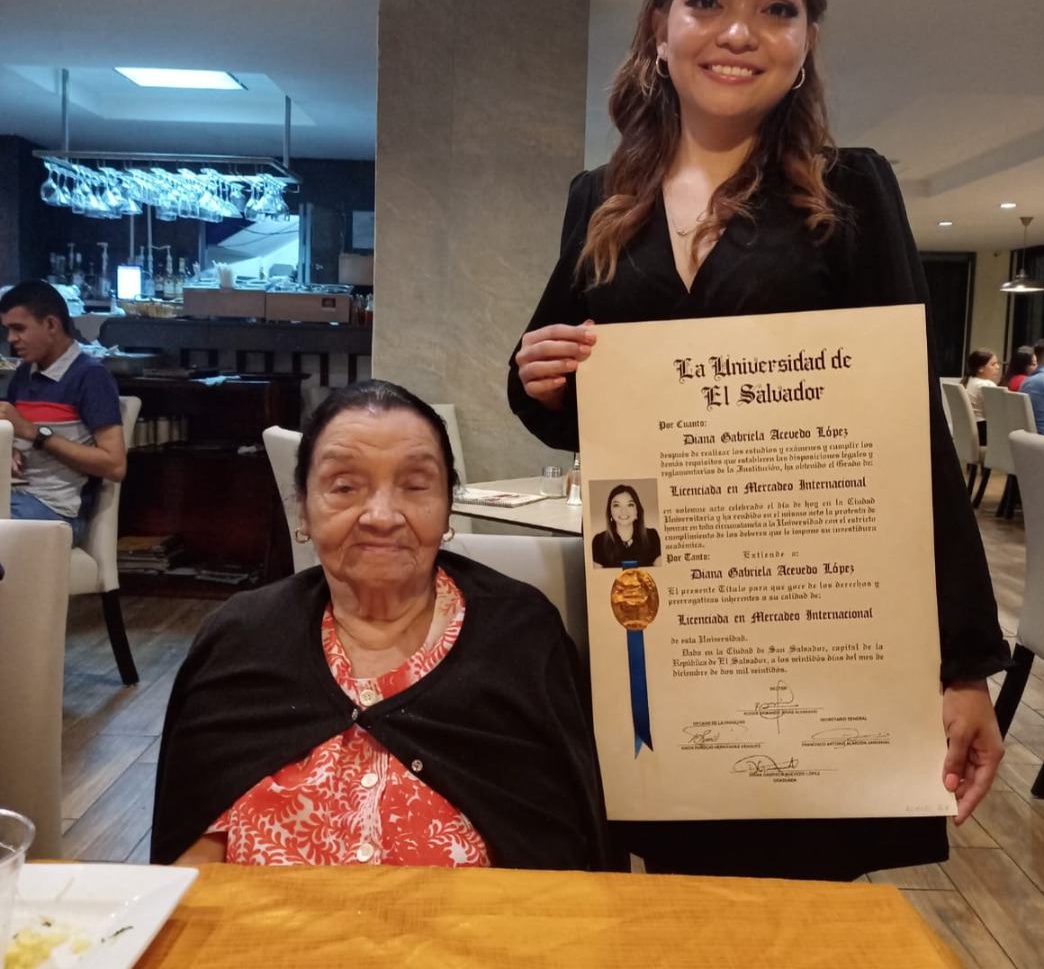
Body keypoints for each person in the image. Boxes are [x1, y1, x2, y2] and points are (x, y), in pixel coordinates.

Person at [507, 0, 1008, 881]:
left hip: (814, 605)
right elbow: (556, 393)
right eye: (708, 0)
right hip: (667, 612)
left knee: (806, 887)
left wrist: (960, 665)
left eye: (777, 8)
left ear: (806, 40)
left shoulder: (851, 190)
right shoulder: (602, 199)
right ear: (661, 27)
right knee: (675, 882)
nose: (740, 31)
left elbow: (910, 432)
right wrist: (540, 377)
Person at [151, 380, 608, 870]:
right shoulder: (241, 639)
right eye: (345, 487)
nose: (382, 516)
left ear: (447, 507)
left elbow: (564, 854)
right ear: (302, 507)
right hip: (259, 920)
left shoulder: (518, 637)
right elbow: (191, 843)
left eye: (415, 486)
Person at [0, 280, 125, 544]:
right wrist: (10, 449)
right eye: (8, 330)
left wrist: (34, 433)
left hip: (57, 510)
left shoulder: (91, 377)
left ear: (51, 325)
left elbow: (115, 465)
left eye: (18, 328)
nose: (10, 339)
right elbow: (16, 435)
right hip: (15, 495)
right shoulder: (24, 373)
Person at [592, 484, 661, 568]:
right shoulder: (599, 541)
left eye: (630, 505)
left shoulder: (652, 537)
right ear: (610, 511)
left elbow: (661, 573)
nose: (623, 511)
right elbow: (596, 576)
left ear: (637, 510)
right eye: (617, 505)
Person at [959, 348, 1000, 444]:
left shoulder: (970, 380)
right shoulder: (986, 385)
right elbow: (996, 414)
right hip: (983, 431)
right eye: (993, 364)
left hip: (970, 429)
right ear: (980, 368)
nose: (997, 367)